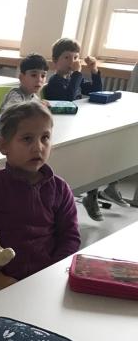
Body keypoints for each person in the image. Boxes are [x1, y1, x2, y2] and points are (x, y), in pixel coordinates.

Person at [0, 102, 80, 292]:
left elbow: (70, 237)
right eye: (27, 139)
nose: (38, 147)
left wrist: (53, 271)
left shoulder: (60, 189)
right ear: (4, 145)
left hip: (46, 280)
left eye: (45, 138)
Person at [46, 37, 125, 219]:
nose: (72, 61)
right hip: (59, 130)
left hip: (73, 125)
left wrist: (94, 70)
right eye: (67, 57)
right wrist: (77, 74)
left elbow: (96, 90)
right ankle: (91, 194)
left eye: (75, 57)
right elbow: (69, 99)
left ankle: (100, 190)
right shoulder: (55, 82)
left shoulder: (73, 78)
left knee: (100, 146)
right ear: (55, 62)